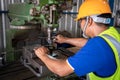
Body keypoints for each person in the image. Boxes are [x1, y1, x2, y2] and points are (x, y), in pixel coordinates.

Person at [34, 0, 120, 80]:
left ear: (89, 21)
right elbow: (88, 43)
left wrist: (42, 55)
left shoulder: (97, 46)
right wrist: (65, 40)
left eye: (80, 21)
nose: (80, 25)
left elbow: (61, 70)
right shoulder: (112, 34)